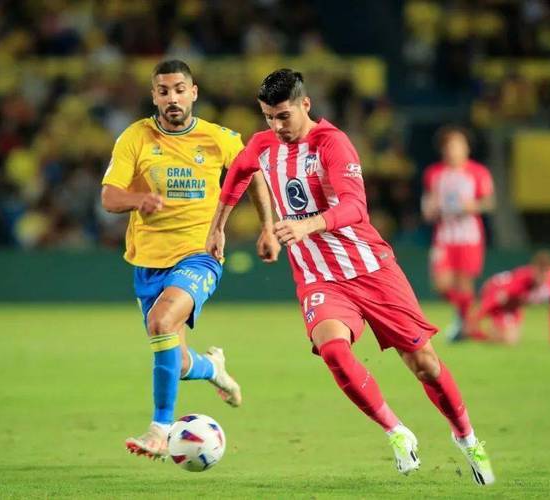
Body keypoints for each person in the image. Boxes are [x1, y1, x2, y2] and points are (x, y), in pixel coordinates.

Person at [206, 69, 495, 485]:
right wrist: (222, 226)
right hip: (318, 277)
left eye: (283, 116)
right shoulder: (263, 145)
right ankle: (397, 431)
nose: (276, 126)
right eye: (268, 117)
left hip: (371, 269)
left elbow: (356, 207)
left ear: (306, 105)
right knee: (334, 352)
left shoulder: (333, 143)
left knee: (425, 364)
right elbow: (238, 173)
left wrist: (306, 225)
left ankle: (466, 437)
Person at [101, 60, 279, 461]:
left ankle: (160, 430)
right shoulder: (135, 137)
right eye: (164, 91)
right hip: (149, 262)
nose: (173, 98)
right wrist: (138, 199)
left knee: (161, 322)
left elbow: (253, 174)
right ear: (154, 96)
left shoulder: (218, 138)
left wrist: (268, 228)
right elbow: (109, 197)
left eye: (180, 90)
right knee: (178, 362)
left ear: (193, 93)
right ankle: (213, 368)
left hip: (199, 255)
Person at [421, 127, 494, 340]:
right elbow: (428, 202)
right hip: (444, 236)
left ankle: (463, 325)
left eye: (457, 145)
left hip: (469, 236)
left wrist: (473, 206)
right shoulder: (434, 173)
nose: (453, 150)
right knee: (440, 283)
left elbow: (489, 202)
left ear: (466, 148)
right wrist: (429, 209)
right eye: (449, 146)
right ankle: (469, 318)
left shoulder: (478, 172)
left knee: (464, 284)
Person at [464, 250, 550, 346]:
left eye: (546, 271)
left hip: (513, 305)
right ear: (534, 269)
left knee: (512, 338)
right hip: (495, 293)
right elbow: (495, 298)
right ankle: (474, 332)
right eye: (540, 271)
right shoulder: (521, 279)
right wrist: (475, 319)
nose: (543, 276)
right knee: (508, 339)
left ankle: (487, 332)